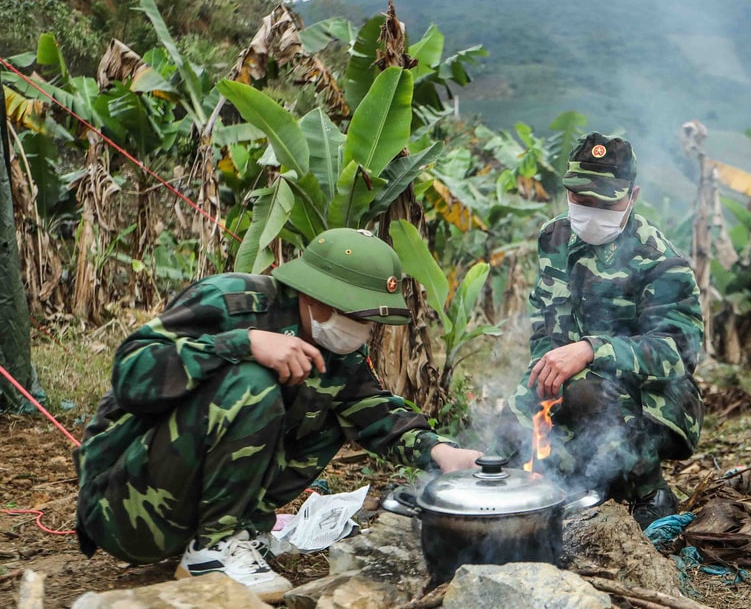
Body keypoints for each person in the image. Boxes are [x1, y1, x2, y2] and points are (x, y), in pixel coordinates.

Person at [73, 228, 482, 602]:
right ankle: (214, 547)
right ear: (316, 295)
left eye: (370, 321)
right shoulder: (231, 301)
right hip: (125, 506)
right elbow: (131, 372)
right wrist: (243, 343)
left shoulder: (339, 353)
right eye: (357, 316)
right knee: (254, 384)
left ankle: (239, 528)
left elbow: (372, 409)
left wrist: (441, 452)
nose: (364, 329)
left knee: (335, 410)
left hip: (182, 514)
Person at [496, 132, 704, 529]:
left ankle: (650, 492)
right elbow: (546, 322)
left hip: (657, 395)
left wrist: (592, 349)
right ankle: (580, 474)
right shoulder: (554, 237)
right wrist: (541, 378)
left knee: (589, 388)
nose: (590, 211)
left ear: (633, 196)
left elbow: (680, 353)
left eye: (605, 202)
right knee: (509, 433)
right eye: (580, 198)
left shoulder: (660, 260)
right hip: (577, 378)